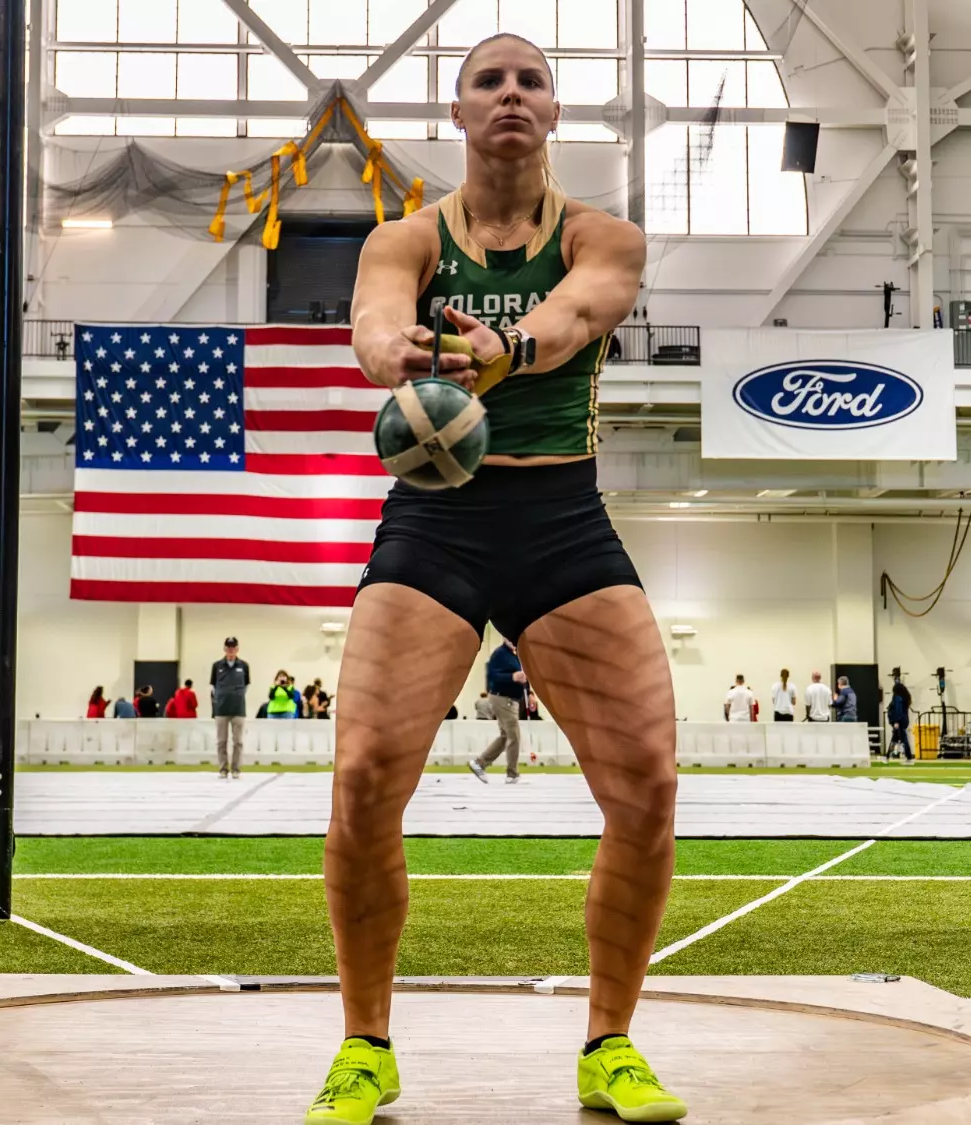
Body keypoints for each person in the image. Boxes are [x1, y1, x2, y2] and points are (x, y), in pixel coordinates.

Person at [315, 31, 684, 1125]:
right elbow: (373, 321)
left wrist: (507, 351)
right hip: (436, 520)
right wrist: (399, 355)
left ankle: (609, 1047)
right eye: (490, 81)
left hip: (558, 517)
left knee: (647, 783)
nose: (511, 94)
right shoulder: (405, 236)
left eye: (531, 81)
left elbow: (577, 315)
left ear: (554, 112)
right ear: (460, 113)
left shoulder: (602, 235)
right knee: (364, 775)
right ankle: (365, 1048)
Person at [470, 639, 526, 783]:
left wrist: (529, 693)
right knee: (514, 735)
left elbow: (523, 676)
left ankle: (480, 763)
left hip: (510, 699)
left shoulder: (515, 655)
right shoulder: (500, 653)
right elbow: (492, 675)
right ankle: (512, 774)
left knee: (506, 736)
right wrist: (512, 677)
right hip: (502, 699)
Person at [211, 637, 249, 778]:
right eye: (228, 648)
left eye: (233, 648)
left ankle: (236, 769)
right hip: (221, 709)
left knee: (238, 741)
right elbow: (213, 686)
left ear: (237, 649)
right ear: (224, 649)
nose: (231, 650)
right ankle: (223, 769)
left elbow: (246, 685)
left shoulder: (244, 666)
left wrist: (237, 695)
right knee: (221, 741)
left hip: (238, 709)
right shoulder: (217, 666)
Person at [887, 670, 914, 761]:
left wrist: (896, 721)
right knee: (895, 739)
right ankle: (887, 756)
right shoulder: (905, 698)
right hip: (903, 720)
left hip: (899, 721)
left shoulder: (897, 698)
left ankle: (908, 756)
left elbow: (897, 710)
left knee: (902, 739)